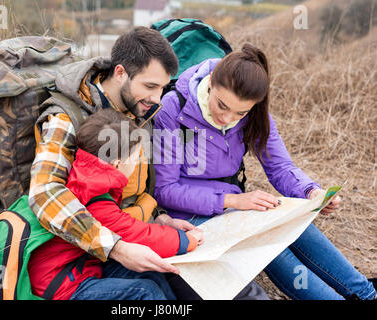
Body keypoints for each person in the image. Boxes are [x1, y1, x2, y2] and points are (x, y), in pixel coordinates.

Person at [29, 27, 269, 300]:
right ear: (120, 73)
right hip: (85, 258)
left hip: (137, 237)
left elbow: (138, 193)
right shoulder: (65, 118)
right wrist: (116, 248)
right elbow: (44, 193)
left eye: (162, 88)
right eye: (150, 86)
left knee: (227, 284)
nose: (157, 98)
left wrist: (161, 219)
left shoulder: (143, 111)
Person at [153, 43, 377, 300]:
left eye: (240, 112)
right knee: (268, 244)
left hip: (234, 208)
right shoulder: (173, 108)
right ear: (211, 81)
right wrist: (233, 200)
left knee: (295, 222)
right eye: (222, 105)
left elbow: (280, 166)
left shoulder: (255, 112)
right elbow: (165, 189)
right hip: (189, 215)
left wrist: (311, 192)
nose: (227, 118)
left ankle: (366, 294)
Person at [28, 109, 204, 300]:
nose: (138, 163)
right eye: (136, 158)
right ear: (118, 163)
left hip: (80, 269)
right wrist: (187, 240)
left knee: (150, 274)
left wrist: (163, 222)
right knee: (144, 292)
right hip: (62, 286)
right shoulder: (92, 195)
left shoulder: (90, 179)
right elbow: (138, 235)